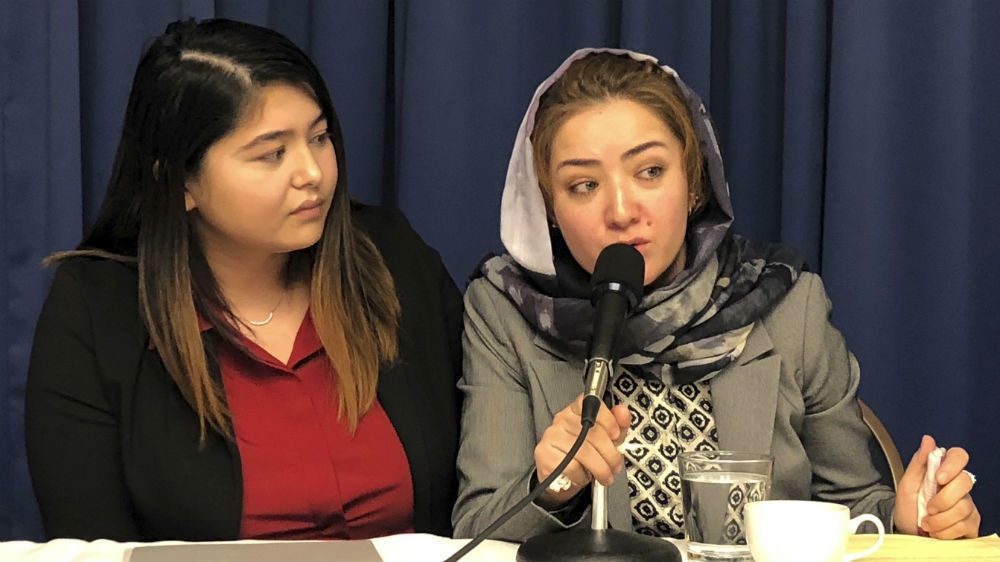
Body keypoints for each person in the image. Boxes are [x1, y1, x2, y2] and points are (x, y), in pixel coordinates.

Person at [452, 48, 980, 542]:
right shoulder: (506, 310)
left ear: (694, 183)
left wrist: (912, 519)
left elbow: (854, 508)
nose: (621, 211)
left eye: (650, 172)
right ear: (548, 208)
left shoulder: (785, 304)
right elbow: (476, 526)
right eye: (584, 185)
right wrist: (557, 484)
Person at [25, 18, 462, 542]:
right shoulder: (97, 310)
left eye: (319, 137)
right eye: (272, 154)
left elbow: (478, 489)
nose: (313, 173)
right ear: (180, 183)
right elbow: (89, 541)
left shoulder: (393, 257)